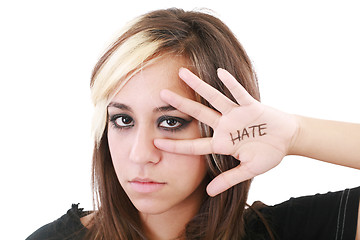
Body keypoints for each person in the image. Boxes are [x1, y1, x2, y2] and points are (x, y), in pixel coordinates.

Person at [26, 8, 359, 240]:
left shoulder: (284, 232)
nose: (141, 155)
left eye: (170, 122)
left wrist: (297, 134)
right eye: (123, 120)